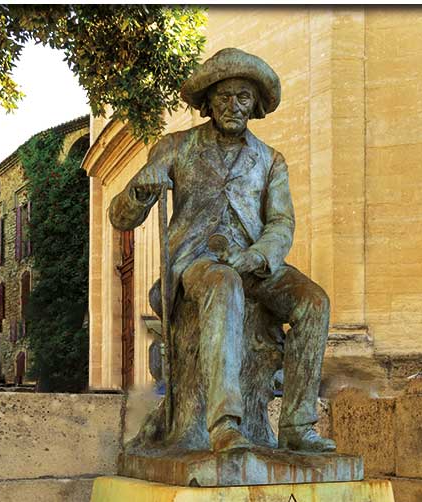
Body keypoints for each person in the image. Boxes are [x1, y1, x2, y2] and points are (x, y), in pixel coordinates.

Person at [109, 48, 335, 453]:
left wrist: (259, 255)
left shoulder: (270, 161)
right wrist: (141, 189)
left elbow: (281, 222)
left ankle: (298, 424)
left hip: (257, 261)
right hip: (197, 262)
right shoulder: (175, 146)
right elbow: (120, 217)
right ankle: (225, 424)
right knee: (223, 282)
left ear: (255, 106)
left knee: (314, 302)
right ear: (209, 102)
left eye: (243, 98)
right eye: (225, 96)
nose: (233, 106)